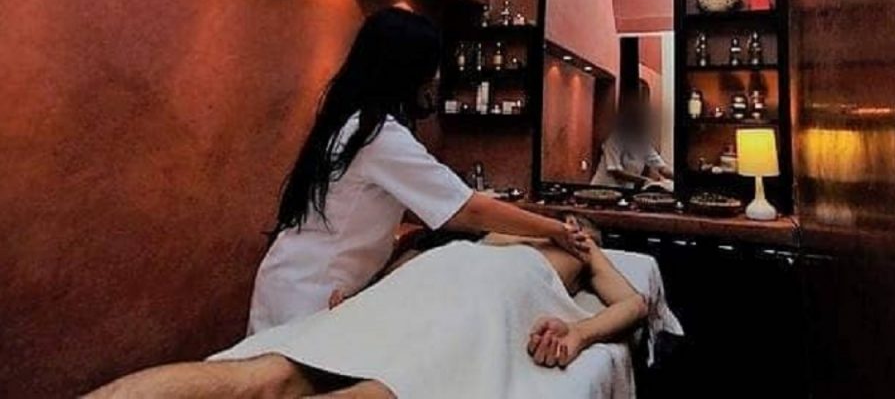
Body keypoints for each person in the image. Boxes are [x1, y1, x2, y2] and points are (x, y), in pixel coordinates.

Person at [248, 7, 588, 334]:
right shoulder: (377, 135)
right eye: (431, 67)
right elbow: (467, 209)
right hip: (310, 291)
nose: (436, 78)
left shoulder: (351, 121)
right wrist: (555, 229)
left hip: (294, 277)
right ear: (407, 70)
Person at [87, 218, 648, 399]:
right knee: (285, 378)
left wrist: (578, 333)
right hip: (438, 285)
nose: (571, 225)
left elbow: (634, 303)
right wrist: (367, 293)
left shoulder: (569, 249)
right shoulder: (520, 239)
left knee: (301, 379)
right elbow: (424, 259)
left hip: (461, 291)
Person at [590, 102, 673, 189]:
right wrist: (645, 180)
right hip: (604, 188)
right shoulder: (615, 139)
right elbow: (615, 171)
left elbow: (662, 168)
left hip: (625, 189)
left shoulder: (643, 144)